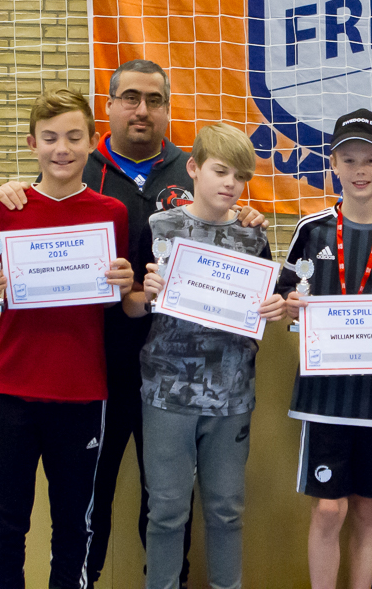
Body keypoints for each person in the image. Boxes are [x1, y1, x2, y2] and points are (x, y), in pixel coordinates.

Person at [0, 60, 265, 588]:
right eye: (130, 98)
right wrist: (8, 192)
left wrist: (246, 217)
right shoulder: (82, 166)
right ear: (109, 107)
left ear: (167, 109)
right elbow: (36, 208)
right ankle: (86, 579)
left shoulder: (190, 168)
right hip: (99, 363)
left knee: (167, 501)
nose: (142, 109)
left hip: (176, 372)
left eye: (154, 100)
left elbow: (225, 218)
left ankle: (170, 580)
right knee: (92, 495)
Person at [0, 88, 134, 589]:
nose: (62, 148)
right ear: (32, 143)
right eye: (50, 137)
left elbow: (117, 293)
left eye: (74, 137)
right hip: (12, 388)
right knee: (6, 525)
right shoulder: (8, 206)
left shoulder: (112, 212)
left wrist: (124, 281)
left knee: (74, 528)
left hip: (81, 392)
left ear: (92, 143)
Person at [122, 122, 287, 589]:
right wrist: (147, 295)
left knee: (226, 510)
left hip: (231, 395)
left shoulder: (253, 236)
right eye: (220, 171)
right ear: (193, 168)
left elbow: (268, 305)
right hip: (166, 392)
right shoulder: (160, 228)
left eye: (240, 176)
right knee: (166, 511)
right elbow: (129, 306)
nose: (230, 184)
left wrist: (275, 308)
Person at [277, 110, 372, 589]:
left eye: (370, 159)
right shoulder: (311, 230)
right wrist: (290, 304)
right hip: (325, 395)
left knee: (370, 510)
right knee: (328, 509)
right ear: (333, 164)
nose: (359, 169)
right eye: (349, 159)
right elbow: (285, 294)